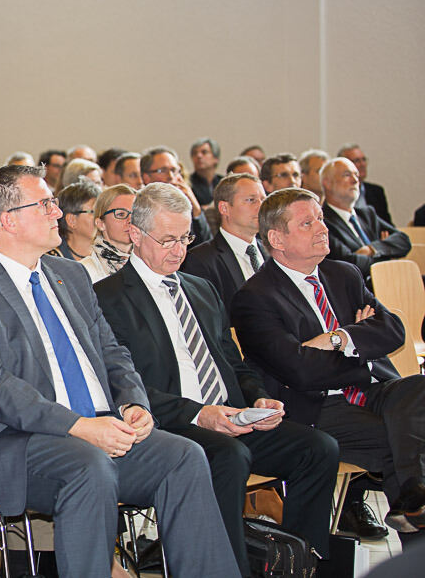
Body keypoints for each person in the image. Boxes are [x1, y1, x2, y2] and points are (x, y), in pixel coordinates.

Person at [0, 164, 238, 577]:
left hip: (97, 429)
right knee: (86, 466)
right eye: (45, 204)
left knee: (183, 456)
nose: (57, 212)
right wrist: (79, 426)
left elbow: (112, 352)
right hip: (13, 443)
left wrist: (133, 401)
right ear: (9, 221)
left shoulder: (69, 275)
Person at [94, 183, 337, 575]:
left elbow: (233, 363)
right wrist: (200, 414)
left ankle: (296, 563)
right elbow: (122, 385)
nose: (179, 249)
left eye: (186, 237)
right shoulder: (107, 297)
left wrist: (257, 399)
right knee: (228, 456)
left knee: (319, 448)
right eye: (167, 239)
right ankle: (229, 569)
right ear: (135, 236)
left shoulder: (201, 289)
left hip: (230, 417)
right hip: (171, 423)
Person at [231, 188, 425, 540]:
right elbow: (299, 371)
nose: (323, 228)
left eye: (320, 218)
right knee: (405, 439)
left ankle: (413, 508)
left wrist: (338, 339)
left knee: (419, 393)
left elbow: (393, 330)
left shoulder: (343, 274)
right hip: (317, 407)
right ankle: (414, 522)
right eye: (308, 223)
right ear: (277, 238)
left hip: (373, 390)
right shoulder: (255, 297)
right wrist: (360, 343)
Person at [181, 173, 268, 309]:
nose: (261, 206)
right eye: (251, 200)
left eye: (263, 199)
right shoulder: (200, 260)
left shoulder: (273, 252)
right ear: (224, 208)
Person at [320, 157, 410, 281]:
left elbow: (403, 241)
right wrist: (389, 254)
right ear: (327, 183)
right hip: (359, 289)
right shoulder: (322, 221)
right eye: (347, 175)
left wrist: (373, 249)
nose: (355, 180)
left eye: (356, 175)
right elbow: (350, 263)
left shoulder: (367, 214)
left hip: (388, 280)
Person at [140, 146, 210, 246]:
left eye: (174, 170)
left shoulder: (186, 207)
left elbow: (205, 246)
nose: (170, 176)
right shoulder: (139, 208)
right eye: (162, 170)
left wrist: (195, 207)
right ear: (146, 177)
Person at [80, 183, 137, 282]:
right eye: (121, 214)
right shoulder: (85, 271)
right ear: (101, 223)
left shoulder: (149, 265)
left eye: (135, 213)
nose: (130, 220)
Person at [339, 144, 392, 225]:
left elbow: (387, 224)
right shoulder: (336, 193)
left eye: (364, 160)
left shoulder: (377, 192)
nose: (362, 164)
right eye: (357, 161)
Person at [48, 181, 101, 262]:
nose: (101, 218)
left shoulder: (108, 256)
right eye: (94, 212)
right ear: (71, 220)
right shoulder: (51, 261)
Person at [189, 137, 223, 207]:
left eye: (204, 152)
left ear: (216, 158)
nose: (199, 156)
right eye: (195, 153)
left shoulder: (224, 182)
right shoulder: (187, 183)